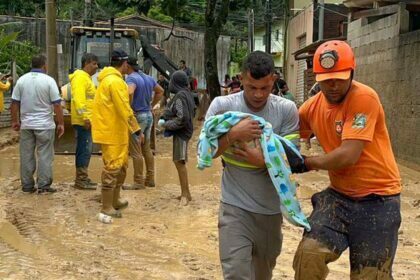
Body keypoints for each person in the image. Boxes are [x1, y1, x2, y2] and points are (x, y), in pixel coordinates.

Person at [293, 40, 402, 279]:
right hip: (339, 198)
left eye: (339, 78)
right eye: (326, 80)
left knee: (371, 275)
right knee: (308, 255)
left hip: (379, 200)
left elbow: (349, 155)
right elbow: (284, 139)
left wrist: (307, 162)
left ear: (352, 73)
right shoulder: (311, 108)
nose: (332, 85)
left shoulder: (364, 98)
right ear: (316, 78)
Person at [205, 51, 300, 279]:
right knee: (236, 273)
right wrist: (232, 135)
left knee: (262, 274)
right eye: (251, 87)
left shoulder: (286, 110)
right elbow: (205, 152)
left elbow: (294, 161)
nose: (258, 95)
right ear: (241, 80)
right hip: (234, 207)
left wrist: (264, 161)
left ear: (273, 81)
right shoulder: (222, 107)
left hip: (270, 211)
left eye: (264, 88)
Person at [91, 49, 141, 221]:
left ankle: (115, 200)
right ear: (125, 64)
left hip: (114, 131)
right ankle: (106, 206)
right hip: (112, 132)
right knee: (113, 168)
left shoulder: (107, 80)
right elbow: (124, 108)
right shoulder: (116, 82)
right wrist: (136, 129)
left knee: (122, 166)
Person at [10, 54, 64, 194]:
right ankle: (44, 186)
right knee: (45, 155)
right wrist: (61, 123)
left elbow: (14, 103)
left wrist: (15, 121)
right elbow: (57, 105)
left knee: (26, 155)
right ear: (44, 65)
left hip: (26, 125)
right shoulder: (49, 81)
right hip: (45, 125)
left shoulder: (21, 81)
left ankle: (27, 186)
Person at [124, 56, 163, 190]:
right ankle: (150, 179)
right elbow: (160, 91)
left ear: (127, 66)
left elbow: (130, 91)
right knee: (146, 148)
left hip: (138, 117)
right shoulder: (147, 77)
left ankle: (138, 181)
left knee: (136, 151)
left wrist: (128, 108)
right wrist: (152, 105)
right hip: (148, 115)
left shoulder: (131, 78)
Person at [158, 70, 196, 206]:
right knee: (179, 161)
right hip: (185, 130)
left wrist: (166, 124)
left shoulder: (180, 96)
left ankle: (185, 194)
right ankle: (185, 192)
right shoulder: (187, 93)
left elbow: (182, 117)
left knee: (179, 162)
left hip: (182, 132)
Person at [69, 53, 99, 190]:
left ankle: (83, 177)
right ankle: (81, 180)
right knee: (84, 149)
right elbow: (79, 99)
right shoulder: (80, 77)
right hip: (83, 121)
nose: (96, 67)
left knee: (86, 149)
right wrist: (86, 117)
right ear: (86, 63)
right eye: (94, 64)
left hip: (86, 120)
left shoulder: (86, 78)